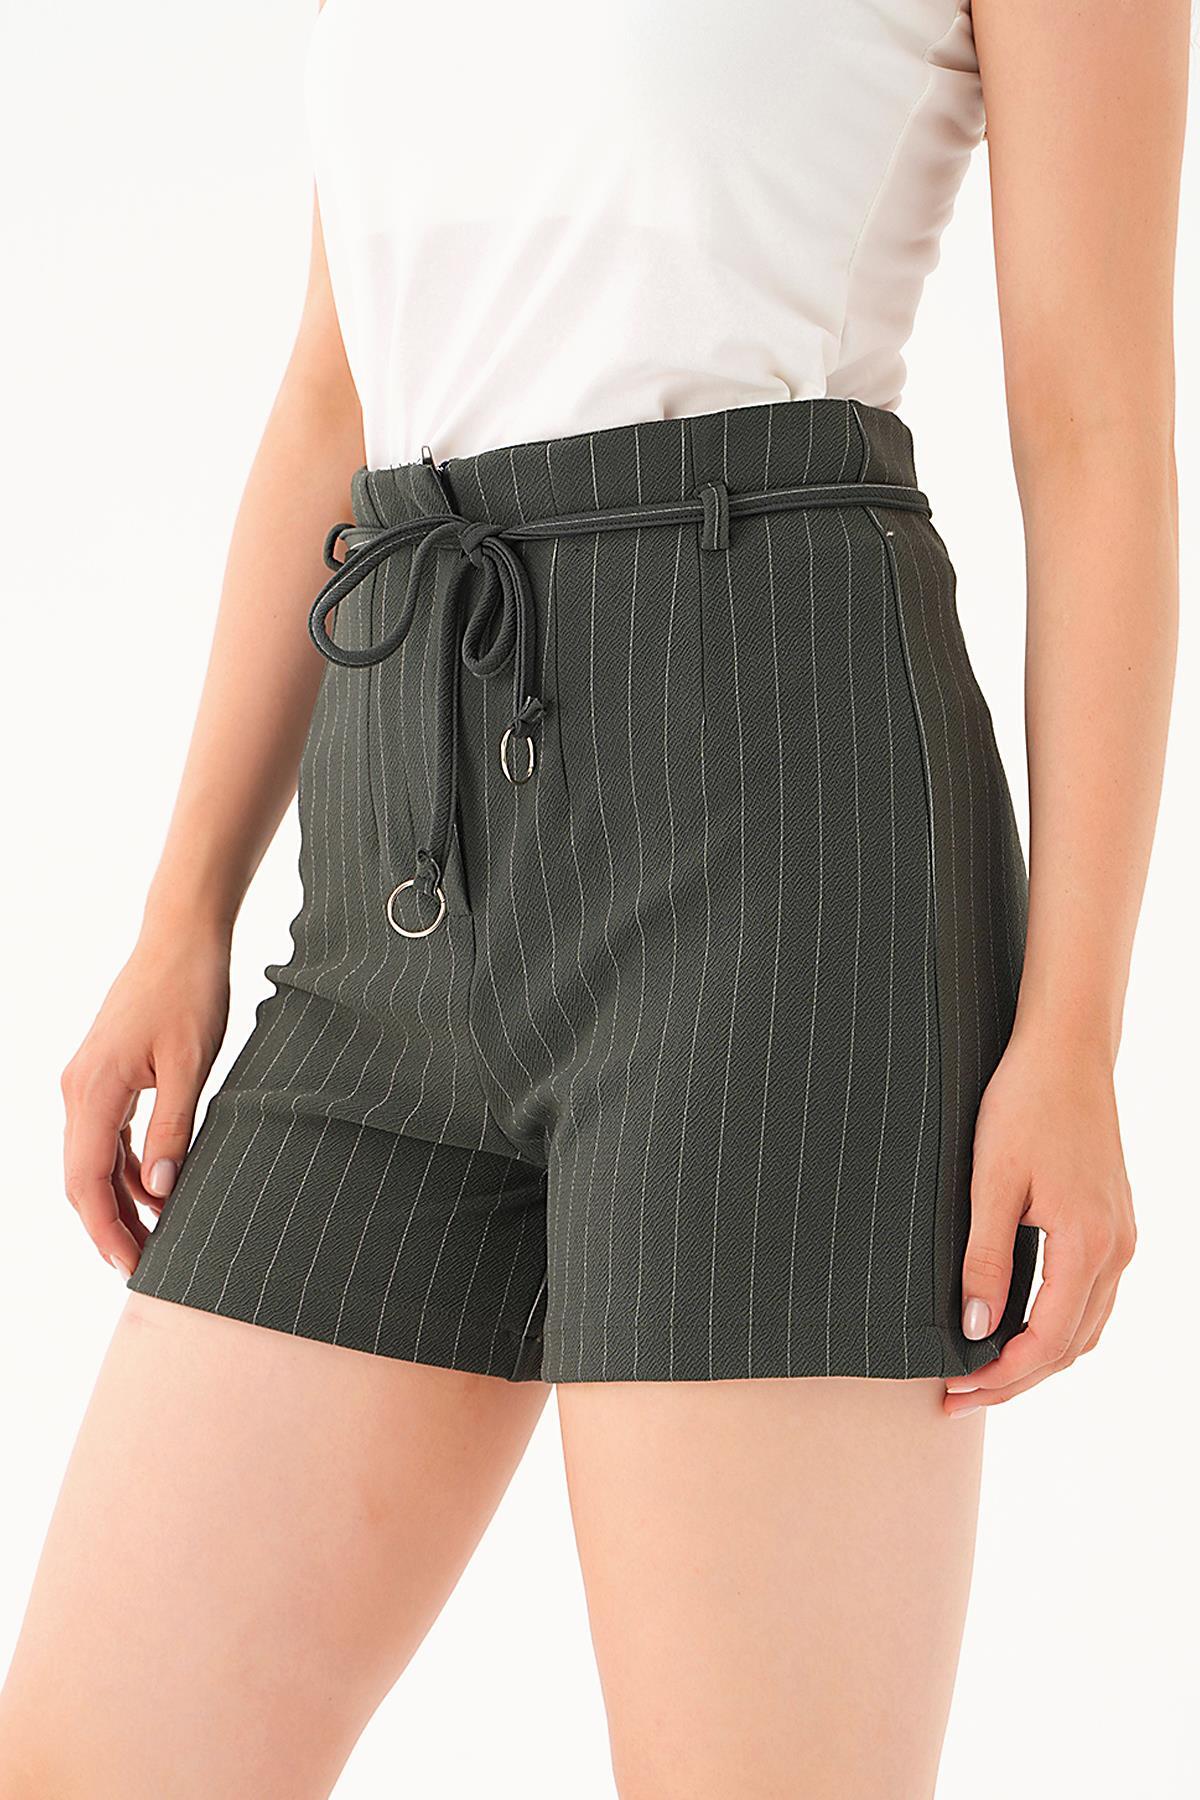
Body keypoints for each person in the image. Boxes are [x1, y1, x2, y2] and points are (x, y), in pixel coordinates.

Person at [0, 2, 1186, 1795]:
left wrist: (1073, 1032)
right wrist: (184, 911)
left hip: (773, 849)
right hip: (396, 853)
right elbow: (333, 394)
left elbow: (1096, 425)